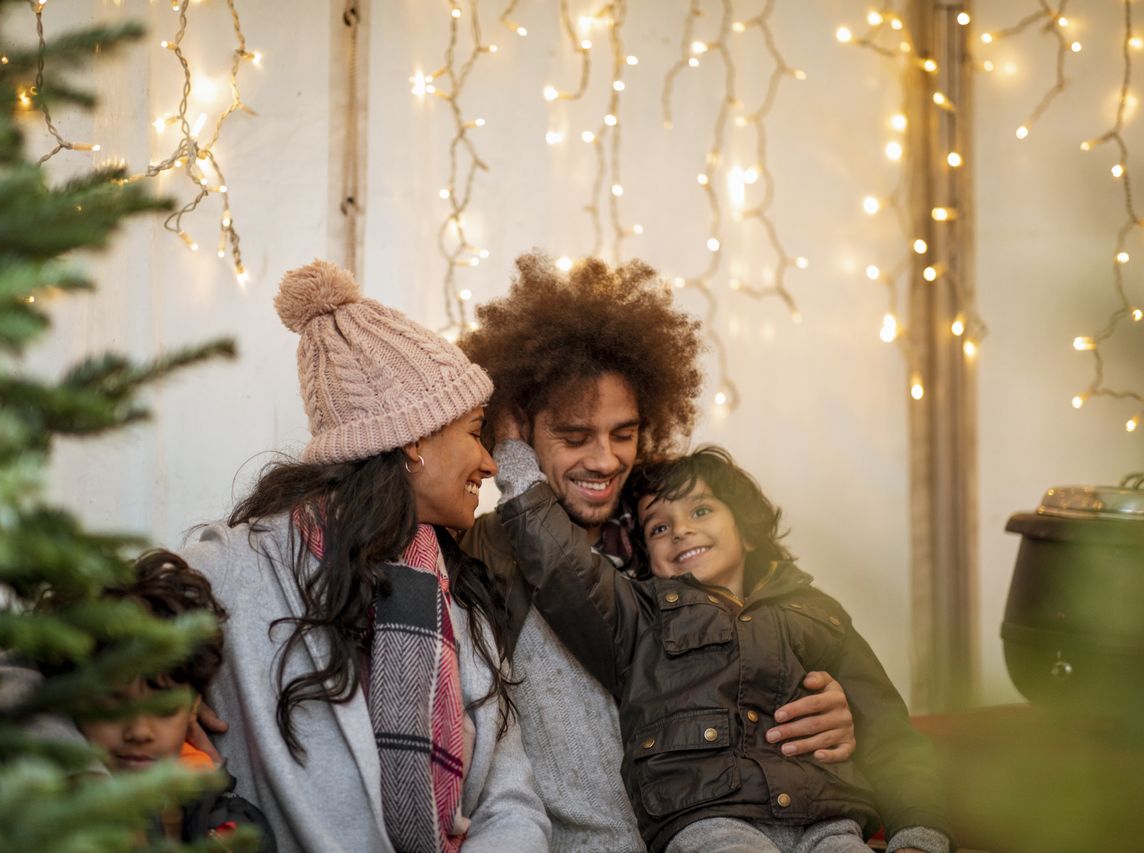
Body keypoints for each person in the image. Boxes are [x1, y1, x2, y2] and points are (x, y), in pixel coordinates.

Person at [459, 253, 859, 852]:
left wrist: (837, 705)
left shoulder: (675, 543)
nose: (604, 460)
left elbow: (775, 635)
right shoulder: (480, 551)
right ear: (519, 428)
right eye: (574, 437)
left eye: (624, 433)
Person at [178, 260, 549, 852]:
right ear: (413, 438)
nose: (490, 462)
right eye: (475, 432)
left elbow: (512, 803)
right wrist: (159, 708)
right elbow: (37, 682)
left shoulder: (458, 592)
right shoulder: (237, 571)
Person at [493, 444, 953, 853]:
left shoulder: (818, 613)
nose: (680, 532)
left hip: (828, 820)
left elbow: (888, 733)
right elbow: (563, 567)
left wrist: (919, 836)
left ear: (748, 531)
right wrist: (513, 451)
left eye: (700, 511)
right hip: (708, 819)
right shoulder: (642, 614)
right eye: (658, 528)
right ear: (645, 558)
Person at [75, 550, 275, 851]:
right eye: (115, 705)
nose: (139, 731)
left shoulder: (235, 829)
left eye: (163, 708)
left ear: (194, 707)